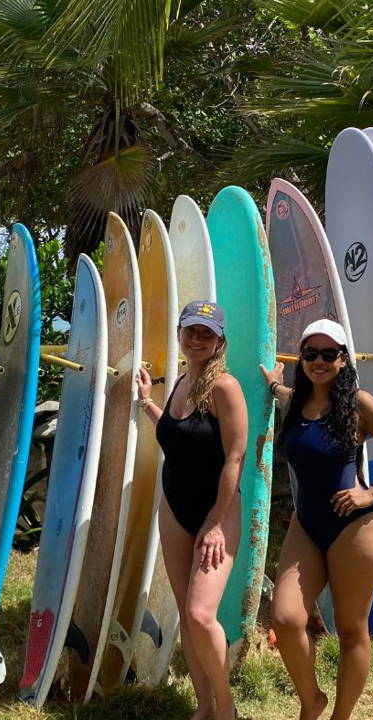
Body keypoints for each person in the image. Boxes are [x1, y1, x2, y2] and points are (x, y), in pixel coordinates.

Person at [259, 318, 373, 720]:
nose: (319, 361)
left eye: (329, 354)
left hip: (355, 530)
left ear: (344, 360)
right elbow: (283, 392)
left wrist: (372, 492)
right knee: (287, 617)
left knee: (350, 631)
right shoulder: (296, 401)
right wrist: (273, 383)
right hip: (307, 525)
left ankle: (339, 717)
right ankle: (311, 700)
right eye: (310, 353)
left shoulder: (357, 404)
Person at [136, 300, 247, 720]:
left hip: (216, 512)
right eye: (191, 330)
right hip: (174, 509)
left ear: (220, 340)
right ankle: (203, 704)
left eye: (207, 332)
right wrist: (148, 403)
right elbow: (178, 434)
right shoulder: (182, 381)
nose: (197, 339)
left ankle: (226, 708)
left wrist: (216, 524)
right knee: (185, 610)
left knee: (201, 614)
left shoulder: (225, 388)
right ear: (181, 334)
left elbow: (234, 460)